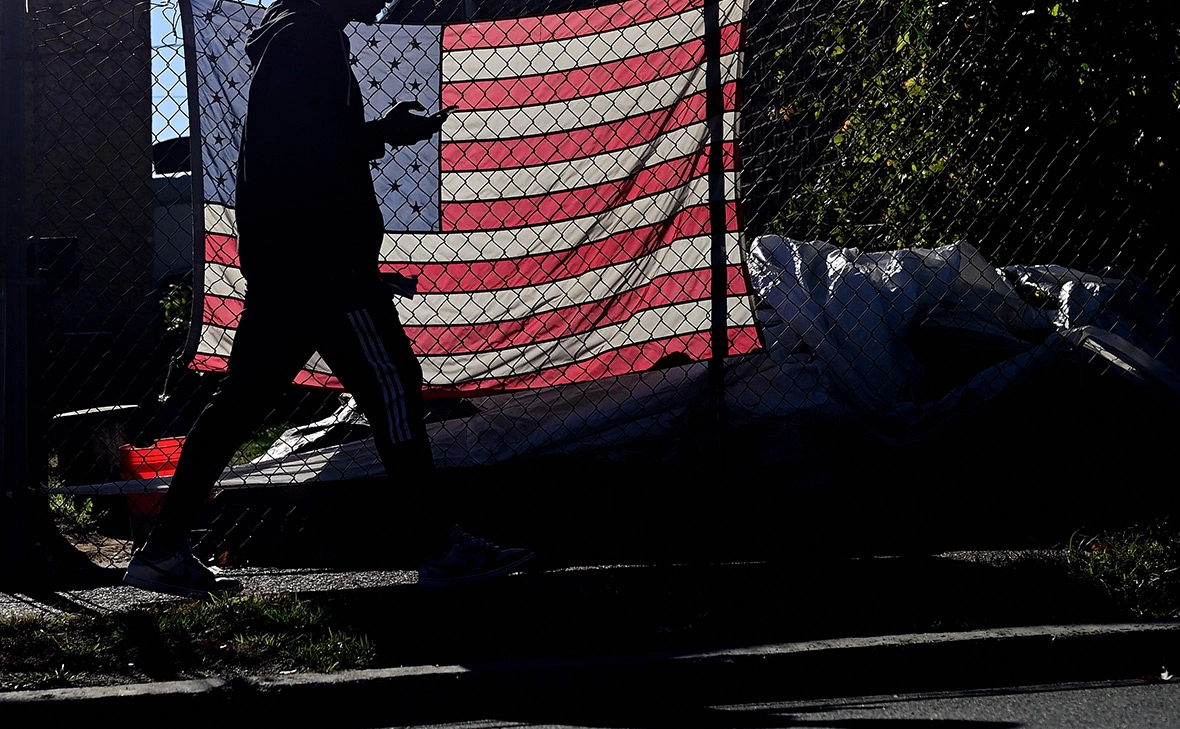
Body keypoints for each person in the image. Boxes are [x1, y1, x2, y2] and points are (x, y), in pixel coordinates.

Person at [124, 0, 533, 597]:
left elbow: (299, 147)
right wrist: (383, 134)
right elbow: (312, 151)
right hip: (323, 263)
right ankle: (440, 547)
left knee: (239, 405)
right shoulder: (310, 44)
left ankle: (162, 551)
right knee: (392, 387)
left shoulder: (292, 41)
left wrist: (372, 137)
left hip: (287, 262)